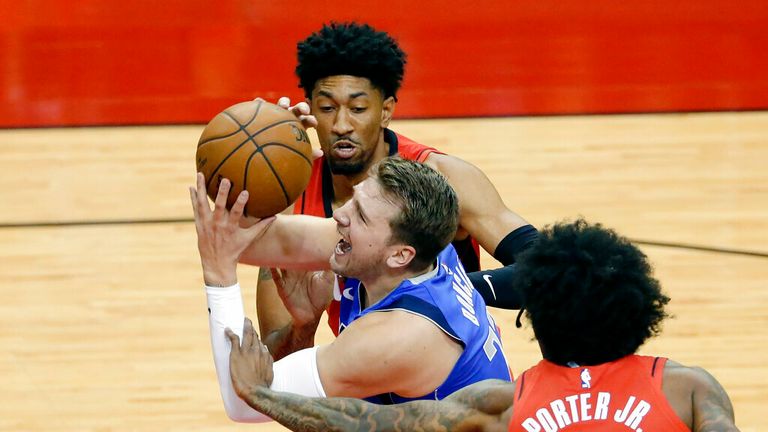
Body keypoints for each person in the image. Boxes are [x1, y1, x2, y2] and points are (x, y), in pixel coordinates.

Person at [225, 219, 740, 431]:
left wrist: (260, 393)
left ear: (537, 313)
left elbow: (370, 425)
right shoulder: (690, 389)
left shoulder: (500, 403)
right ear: (637, 311)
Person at [255, 21, 539, 358]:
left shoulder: (443, 177)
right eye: (328, 108)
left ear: (386, 110)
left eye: (358, 109)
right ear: (310, 110)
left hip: (452, 382)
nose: (342, 125)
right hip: (366, 378)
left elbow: (548, 267)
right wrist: (304, 324)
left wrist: (445, 290)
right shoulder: (289, 200)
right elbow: (276, 365)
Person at [191, 157, 512, 422]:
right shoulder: (416, 243)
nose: (339, 215)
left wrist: (219, 273)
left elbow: (245, 401)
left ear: (400, 254)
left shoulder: (395, 338)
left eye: (359, 214)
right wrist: (270, 158)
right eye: (352, 200)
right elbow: (243, 239)